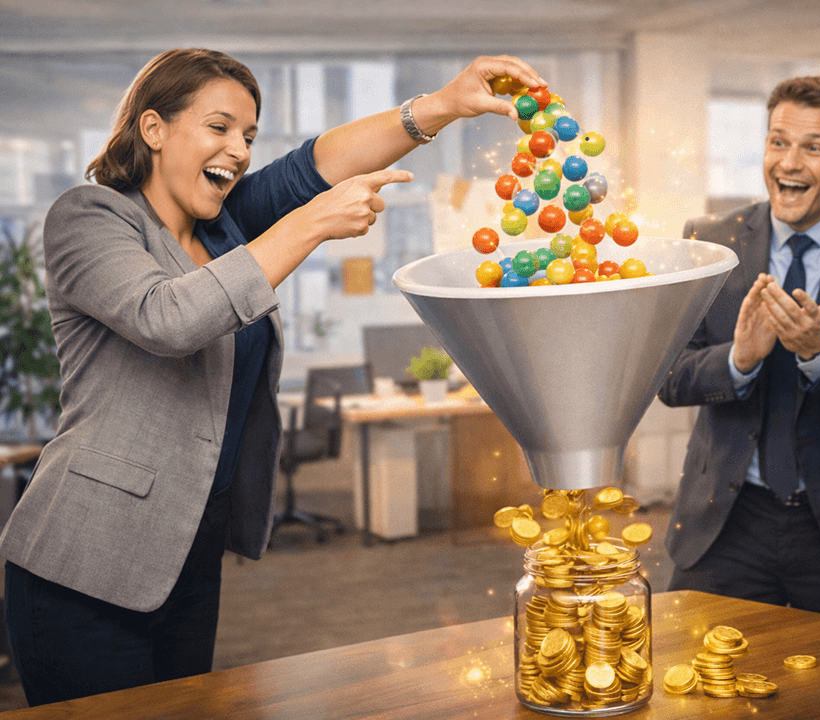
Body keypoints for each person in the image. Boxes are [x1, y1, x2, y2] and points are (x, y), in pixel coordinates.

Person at [0, 48, 545, 706]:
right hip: (84, 561)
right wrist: (313, 224)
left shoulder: (225, 228)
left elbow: (314, 166)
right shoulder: (91, 217)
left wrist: (441, 105)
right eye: (220, 127)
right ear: (154, 129)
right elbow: (166, 318)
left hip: (187, 557)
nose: (239, 150)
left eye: (249, 136)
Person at [658, 76, 820, 626]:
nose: (789, 162)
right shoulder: (709, 242)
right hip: (725, 525)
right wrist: (740, 358)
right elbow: (668, 378)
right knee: (700, 698)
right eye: (778, 142)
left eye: (813, 147)